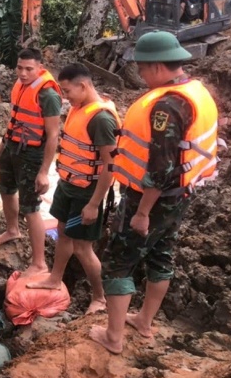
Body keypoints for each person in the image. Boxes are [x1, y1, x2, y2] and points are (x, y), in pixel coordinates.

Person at [90, 31, 220, 354]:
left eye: (143, 69)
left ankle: (114, 337)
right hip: (181, 197)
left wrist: (142, 213)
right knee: (162, 253)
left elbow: (161, 169)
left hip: (150, 200)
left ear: (159, 67)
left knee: (120, 261)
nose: (141, 75)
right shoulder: (195, 91)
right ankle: (144, 322)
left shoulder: (165, 108)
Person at [26, 63, 120, 315]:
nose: (65, 97)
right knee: (63, 233)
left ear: (83, 85)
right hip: (68, 185)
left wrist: (93, 204)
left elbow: (111, 167)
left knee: (83, 247)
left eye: (67, 91)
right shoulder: (80, 108)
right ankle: (55, 279)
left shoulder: (100, 119)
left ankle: (99, 298)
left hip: (86, 193)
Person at [0, 48, 62, 276]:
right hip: (12, 146)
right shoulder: (19, 86)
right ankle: (12, 230)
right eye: (19, 68)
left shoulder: (47, 95)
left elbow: (52, 135)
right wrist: (0, 148)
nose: (23, 73)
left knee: (30, 206)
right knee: (6, 190)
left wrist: (44, 172)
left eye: (29, 69)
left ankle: (39, 262)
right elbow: (14, 119)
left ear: (40, 67)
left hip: (32, 153)